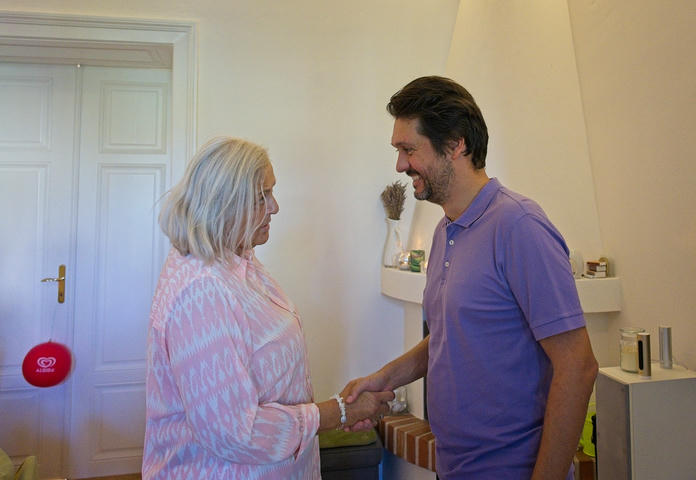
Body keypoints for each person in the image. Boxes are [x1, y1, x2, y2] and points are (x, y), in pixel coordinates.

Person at [342, 77, 598, 479]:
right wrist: (382, 378)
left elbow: (577, 366)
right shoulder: (445, 230)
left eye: (409, 149)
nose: (400, 165)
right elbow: (450, 334)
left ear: (455, 144)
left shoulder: (519, 226)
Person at [143, 137, 393, 479]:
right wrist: (338, 413)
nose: (274, 207)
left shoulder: (238, 260)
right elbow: (234, 432)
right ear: (225, 202)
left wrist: (340, 409)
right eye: (262, 196)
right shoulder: (201, 290)